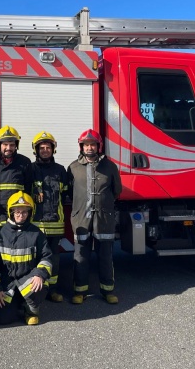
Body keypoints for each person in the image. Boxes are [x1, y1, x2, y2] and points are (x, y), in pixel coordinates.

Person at [67, 129, 122, 305]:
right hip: (81, 219)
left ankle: (108, 290)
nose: (89, 148)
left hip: (104, 220)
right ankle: (80, 291)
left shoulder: (110, 167)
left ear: (98, 146)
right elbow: (69, 191)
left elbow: (117, 191)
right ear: (81, 147)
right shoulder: (73, 167)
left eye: (92, 145)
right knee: (80, 256)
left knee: (105, 256)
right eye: (86, 145)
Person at [0, 191, 52, 325]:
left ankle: (31, 310)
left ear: (29, 213)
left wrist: (39, 274)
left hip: (27, 279)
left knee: (40, 285)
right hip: (7, 283)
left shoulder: (36, 233)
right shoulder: (0, 234)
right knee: (2, 319)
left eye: (24, 212)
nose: (20, 216)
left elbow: (46, 257)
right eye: (17, 212)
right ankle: (16, 303)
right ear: (11, 212)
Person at [30, 131, 68, 303]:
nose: (45, 150)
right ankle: (36, 290)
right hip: (35, 224)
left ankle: (52, 290)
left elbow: (66, 195)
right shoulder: (30, 169)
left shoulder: (60, 170)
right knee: (34, 258)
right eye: (42, 148)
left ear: (53, 149)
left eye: (48, 147)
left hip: (55, 224)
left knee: (54, 258)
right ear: (36, 150)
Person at [0, 126, 32, 247]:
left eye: (11, 144)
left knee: (14, 251)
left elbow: (28, 189)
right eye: (5, 144)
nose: (8, 148)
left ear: (16, 145)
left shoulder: (24, 162)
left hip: (15, 216)